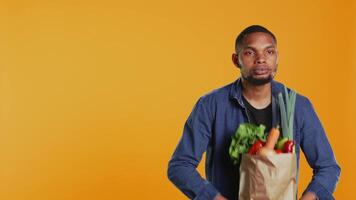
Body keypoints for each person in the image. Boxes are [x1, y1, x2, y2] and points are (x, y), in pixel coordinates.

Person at [167, 25, 340, 200]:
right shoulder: (211, 105)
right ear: (236, 60)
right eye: (250, 53)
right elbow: (180, 166)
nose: (261, 59)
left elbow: (328, 167)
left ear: (277, 58)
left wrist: (309, 198)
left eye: (269, 52)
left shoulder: (298, 106)